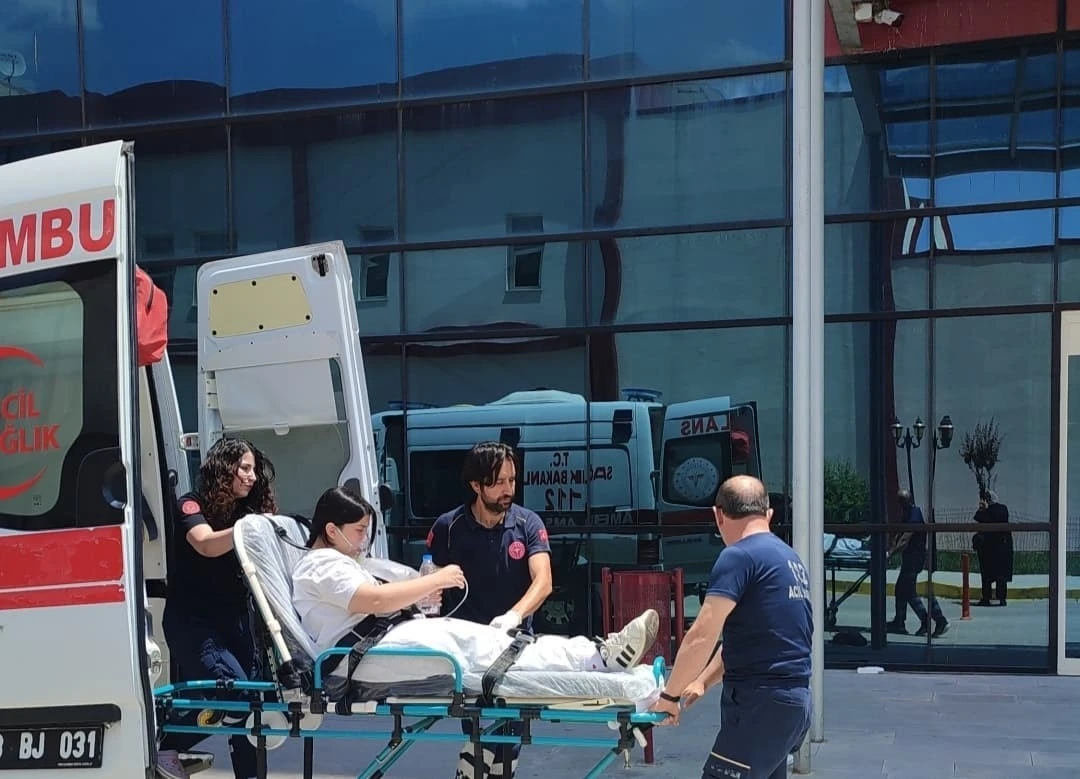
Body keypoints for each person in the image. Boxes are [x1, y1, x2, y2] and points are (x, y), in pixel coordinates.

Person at [291, 485, 659, 689]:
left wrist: (418, 594)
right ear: (331, 530)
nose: (364, 541)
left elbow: (372, 602)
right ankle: (596, 659)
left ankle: (595, 655)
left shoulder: (338, 564)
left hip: (379, 647)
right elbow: (372, 600)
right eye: (359, 532)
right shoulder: (321, 566)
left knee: (493, 644)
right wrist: (435, 580)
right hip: (366, 656)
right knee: (483, 648)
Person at [649, 475, 812, 779]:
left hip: (759, 705)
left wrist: (669, 697)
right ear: (768, 513)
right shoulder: (789, 559)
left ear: (718, 515)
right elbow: (755, 638)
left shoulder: (739, 556)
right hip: (791, 704)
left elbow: (702, 634)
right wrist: (702, 681)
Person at [424, 441, 553, 778]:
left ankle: (472, 771)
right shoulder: (448, 527)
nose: (508, 489)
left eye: (512, 480)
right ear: (476, 485)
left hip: (514, 646)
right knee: (482, 733)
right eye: (498, 482)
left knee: (507, 739)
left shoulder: (527, 523)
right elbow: (430, 584)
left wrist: (514, 615)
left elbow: (543, 582)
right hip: (466, 651)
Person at [157, 437, 278, 779]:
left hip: (237, 621)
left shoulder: (248, 513)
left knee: (253, 708)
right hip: (194, 622)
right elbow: (206, 544)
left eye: (254, 470)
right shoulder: (190, 505)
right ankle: (167, 743)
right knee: (235, 694)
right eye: (244, 468)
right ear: (224, 470)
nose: (252, 476)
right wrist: (248, 528)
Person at [885, 489, 949, 638]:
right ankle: (900, 621)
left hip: (915, 559)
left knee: (909, 591)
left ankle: (936, 621)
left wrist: (890, 553)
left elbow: (905, 539)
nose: (900, 505)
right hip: (911, 558)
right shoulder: (907, 513)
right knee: (901, 589)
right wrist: (891, 548)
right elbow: (899, 534)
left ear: (906, 502)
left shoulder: (914, 515)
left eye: (901, 502)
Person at [973, 490, 1013, 606]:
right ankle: (1001, 598)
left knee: (987, 575)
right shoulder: (1003, 509)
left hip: (990, 549)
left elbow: (979, 517)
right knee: (1000, 575)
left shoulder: (989, 511)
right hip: (1002, 549)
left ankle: (987, 597)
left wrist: (982, 508)